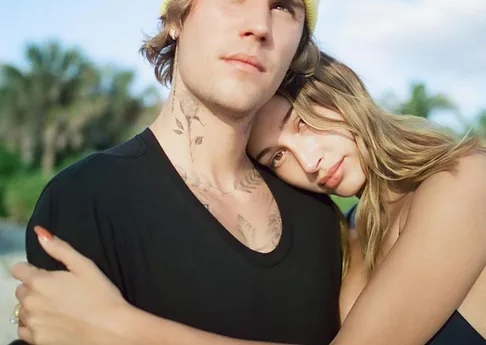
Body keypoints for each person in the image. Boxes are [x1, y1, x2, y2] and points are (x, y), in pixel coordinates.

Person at [11, 52, 486, 345]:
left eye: (301, 124)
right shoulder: (353, 226)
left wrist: (117, 329)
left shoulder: (466, 179)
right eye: (277, 157)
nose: (310, 161)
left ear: (344, 92)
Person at [8, 0, 347, 345]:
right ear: (177, 18)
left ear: (297, 49)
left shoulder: (320, 218)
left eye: (283, 6)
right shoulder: (89, 199)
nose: (259, 25)